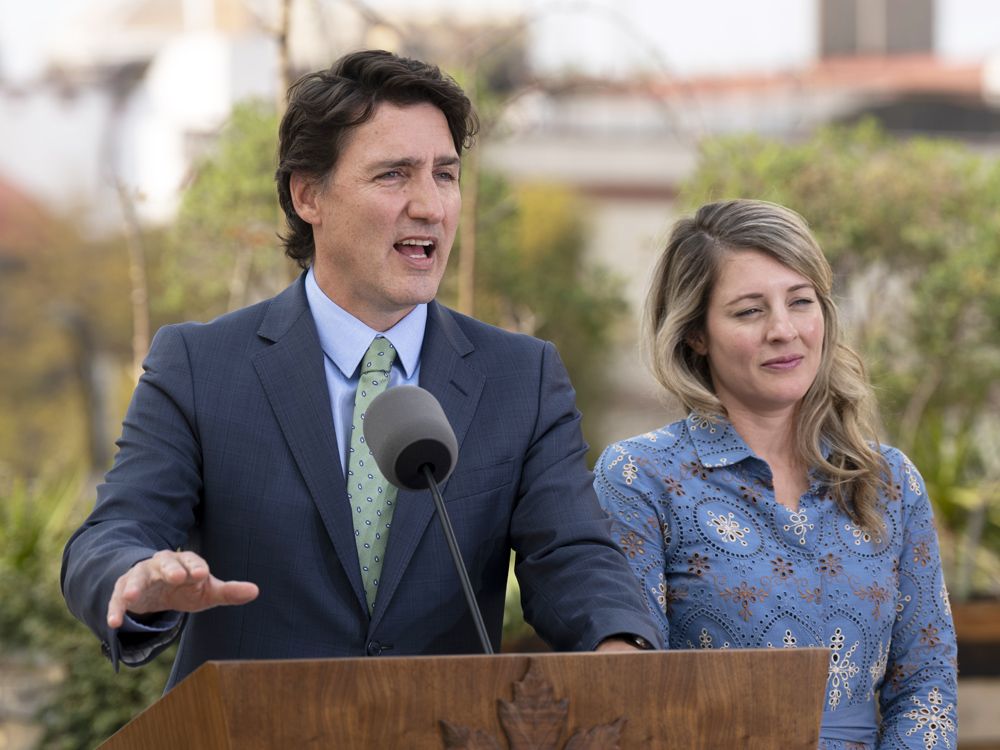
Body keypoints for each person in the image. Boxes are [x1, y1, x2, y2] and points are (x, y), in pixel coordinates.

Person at [61, 49, 660, 691]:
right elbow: (115, 532)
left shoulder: (523, 376)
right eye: (395, 175)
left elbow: (571, 552)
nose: (430, 205)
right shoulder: (201, 366)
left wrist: (617, 645)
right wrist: (134, 576)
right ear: (309, 194)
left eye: (445, 175)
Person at [595, 199, 957, 749]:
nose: (784, 330)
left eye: (800, 302)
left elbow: (926, 685)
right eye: (749, 311)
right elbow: (632, 695)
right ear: (695, 332)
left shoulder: (890, 481)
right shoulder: (640, 478)